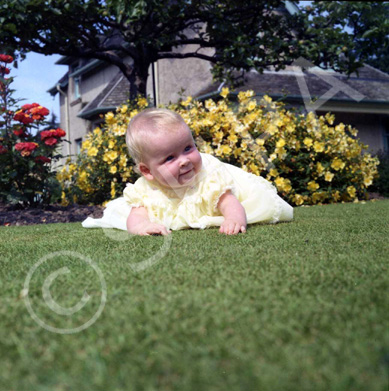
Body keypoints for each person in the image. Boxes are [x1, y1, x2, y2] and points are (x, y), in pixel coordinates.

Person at [82, 108, 293, 235]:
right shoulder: (146, 189)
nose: (184, 161)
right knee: (124, 212)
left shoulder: (207, 177)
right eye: (170, 158)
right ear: (148, 172)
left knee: (242, 202)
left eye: (188, 148)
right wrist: (142, 226)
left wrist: (233, 219)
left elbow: (228, 201)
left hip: (217, 203)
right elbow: (136, 216)